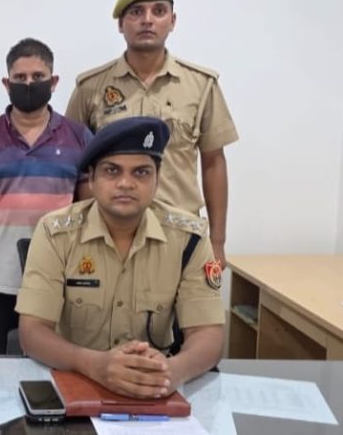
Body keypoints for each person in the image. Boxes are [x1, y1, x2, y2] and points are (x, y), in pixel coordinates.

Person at [16, 117, 224, 399]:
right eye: (112, 171)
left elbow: (208, 334)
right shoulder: (56, 233)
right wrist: (95, 365)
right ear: (91, 178)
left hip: (153, 388)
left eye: (141, 173)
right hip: (76, 378)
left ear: (157, 179)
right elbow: (32, 333)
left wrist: (171, 372)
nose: (126, 183)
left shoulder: (190, 238)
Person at [64, 0, 238, 267]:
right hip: (109, 233)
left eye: (158, 11)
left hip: (180, 234)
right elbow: (74, 165)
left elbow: (213, 162)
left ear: (172, 21)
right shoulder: (90, 88)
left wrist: (217, 242)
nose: (147, 20)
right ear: (121, 24)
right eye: (136, 12)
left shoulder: (201, 85)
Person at [0, 38, 92, 354]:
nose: (29, 84)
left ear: (53, 82)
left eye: (38, 77)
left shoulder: (79, 137)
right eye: (20, 78)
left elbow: (90, 211)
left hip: (62, 279)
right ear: (7, 83)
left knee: (59, 364)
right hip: (0, 280)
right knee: (3, 363)